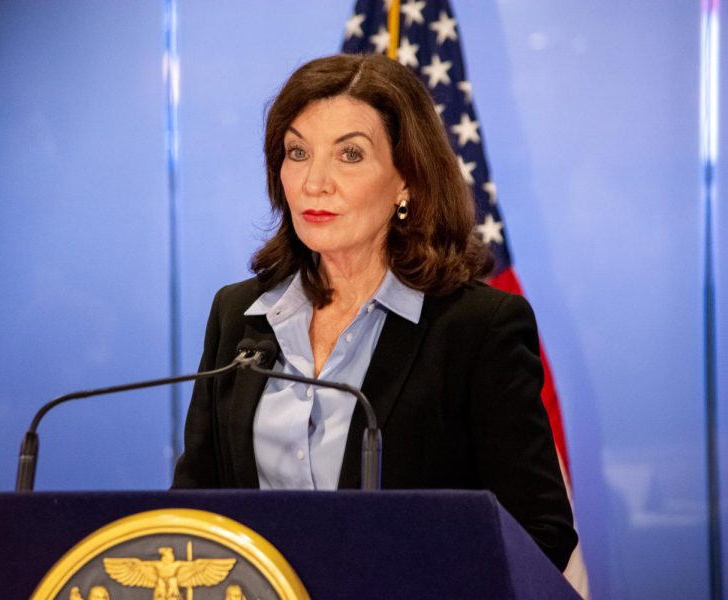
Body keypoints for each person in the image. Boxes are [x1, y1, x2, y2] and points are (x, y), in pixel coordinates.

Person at [172, 53, 577, 571]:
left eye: (350, 155)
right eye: (297, 152)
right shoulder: (239, 314)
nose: (315, 182)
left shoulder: (478, 328)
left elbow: (540, 534)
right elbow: (195, 507)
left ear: (405, 179)